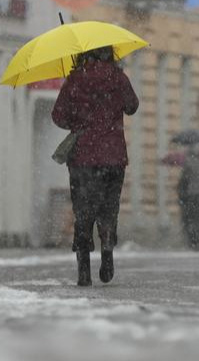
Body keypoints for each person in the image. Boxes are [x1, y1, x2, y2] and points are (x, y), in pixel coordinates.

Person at [51, 46, 139, 286]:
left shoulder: (75, 79)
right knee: (109, 207)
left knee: (83, 210)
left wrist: (78, 120)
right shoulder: (118, 77)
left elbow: (58, 115)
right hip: (113, 157)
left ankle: (83, 270)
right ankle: (107, 241)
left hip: (83, 159)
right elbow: (132, 106)